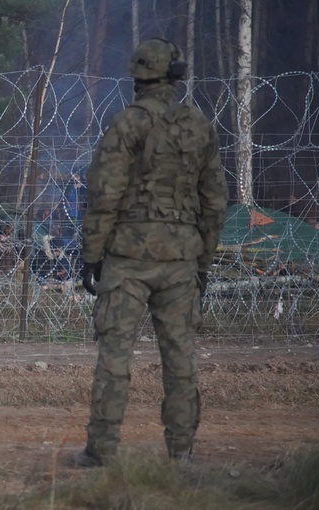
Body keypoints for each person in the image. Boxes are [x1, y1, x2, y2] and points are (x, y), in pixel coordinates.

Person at [69, 38, 229, 467]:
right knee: (180, 358)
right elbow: (215, 201)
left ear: (137, 75)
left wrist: (92, 255)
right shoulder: (199, 125)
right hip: (180, 258)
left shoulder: (127, 123)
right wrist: (203, 262)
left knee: (115, 354)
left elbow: (104, 194)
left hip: (128, 257)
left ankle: (100, 451)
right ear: (175, 75)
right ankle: (181, 453)